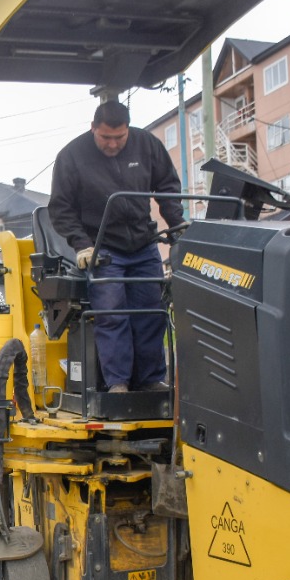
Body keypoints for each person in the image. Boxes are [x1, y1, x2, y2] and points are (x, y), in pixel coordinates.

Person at [49, 99, 185, 393]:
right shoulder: (72, 156)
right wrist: (82, 245)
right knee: (112, 314)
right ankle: (118, 384)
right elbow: (61, 208)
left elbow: (167, 186)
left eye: (119, 138)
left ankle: (149, 380)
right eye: (105, 138)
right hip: (101, 248)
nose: (113, 144)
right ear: (93, 128)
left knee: (151, 311)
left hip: (143, 243)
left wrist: (177, 228)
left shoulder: (147, 145)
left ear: (128, 130)